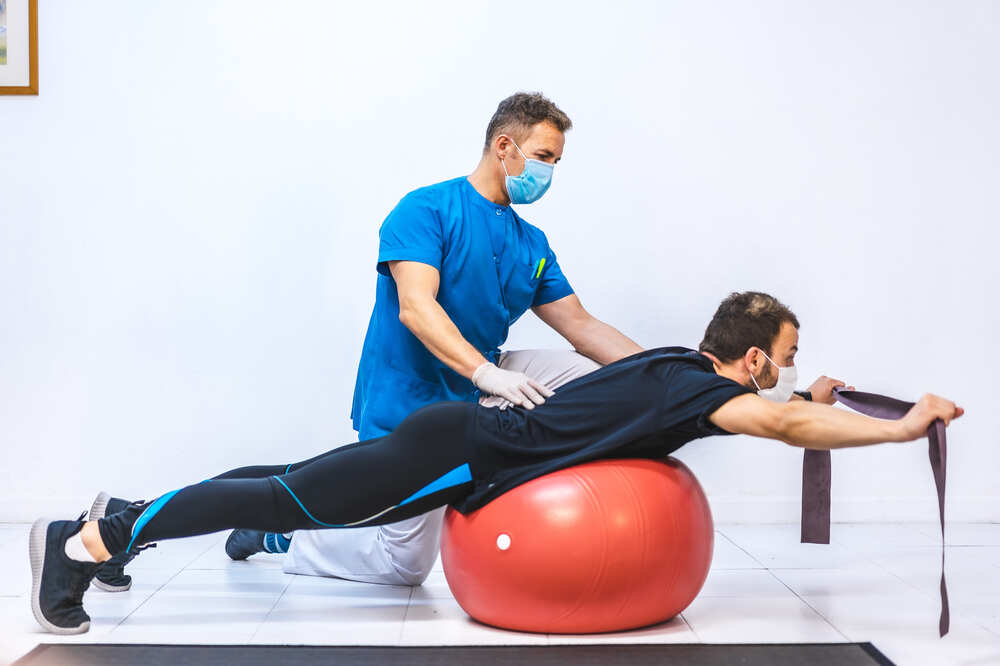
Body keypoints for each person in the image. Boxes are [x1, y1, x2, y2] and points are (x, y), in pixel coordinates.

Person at [29, 292, 962, 634]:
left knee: (294, 486)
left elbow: (782, 414)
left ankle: (144, 518)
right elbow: (783, 429)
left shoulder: (674, 368)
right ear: (754, 357)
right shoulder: (695, 391)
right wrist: (901, 426)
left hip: (455, 435)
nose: (788, 371)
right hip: (461, 455)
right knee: (299, 499)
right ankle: (97, 538)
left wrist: (814, 397)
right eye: (788, 355)